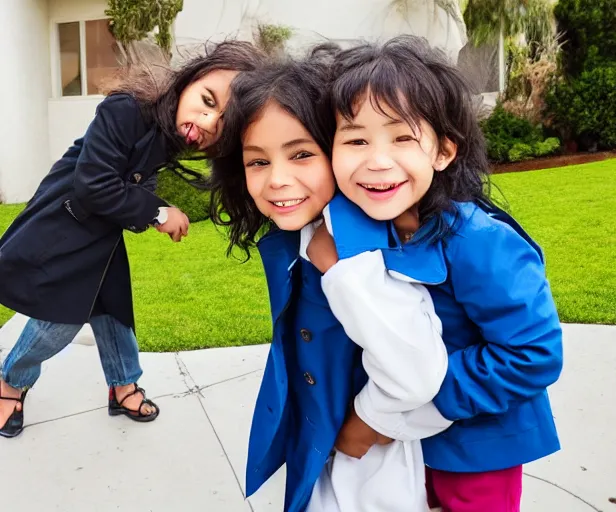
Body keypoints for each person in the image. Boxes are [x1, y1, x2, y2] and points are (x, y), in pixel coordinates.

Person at [315, 35, 564, 512]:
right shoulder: (368, 228)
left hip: (477, 447)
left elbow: (534, 354)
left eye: (403, 137)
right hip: (406, 452)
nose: (377, 160)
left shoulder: (477, 240)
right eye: (355, 139)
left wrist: (391, 414)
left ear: (444, 151)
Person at [209, 55, 449, 512]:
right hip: (336, 457)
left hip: (372, 472)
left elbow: (416, 372)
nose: (277, 180)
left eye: (301, 154)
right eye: (257, 161)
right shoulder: (308, 231)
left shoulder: (352, 248)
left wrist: (365, 420)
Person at [0, 40, 266, 438]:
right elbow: (93, 183)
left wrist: (150, 208)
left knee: (114, 313)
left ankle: (122, 385)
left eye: (223, 122)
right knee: (59, 319)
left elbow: (142, 176)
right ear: (189, 80)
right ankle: (10, 381)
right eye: (207, 100)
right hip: (64, 227)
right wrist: (158, 211)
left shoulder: (166, 133)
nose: (209, 121)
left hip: (99, 237)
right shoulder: (125, 108)